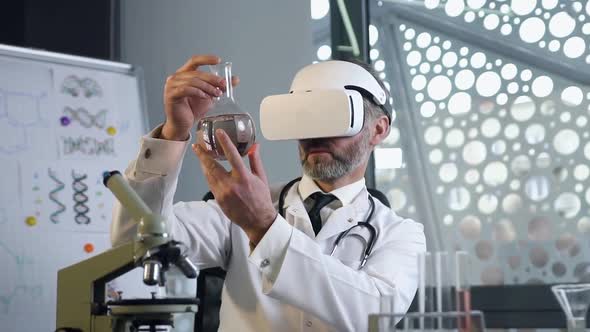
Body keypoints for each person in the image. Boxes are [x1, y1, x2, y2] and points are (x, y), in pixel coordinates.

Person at [111, 54, 426, 331]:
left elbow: (372, 316)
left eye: (334, 116)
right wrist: (173, 133)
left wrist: (263, 226)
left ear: (379, 129)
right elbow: (133, 240)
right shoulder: (237, 207)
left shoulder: (401, 234)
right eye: (305, 115)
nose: (316, 133)